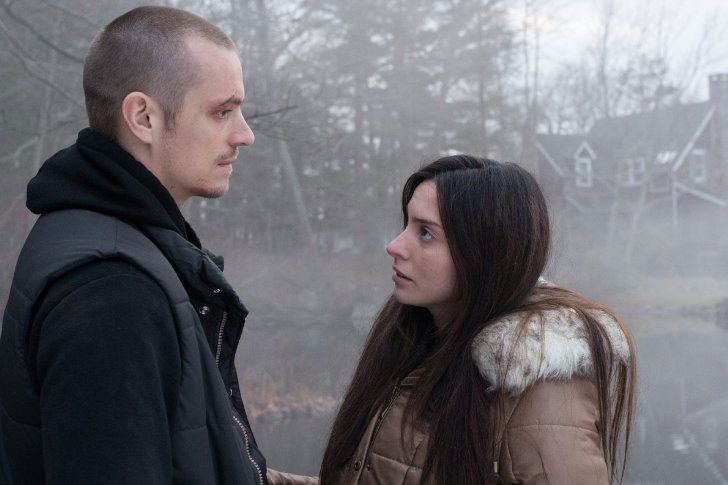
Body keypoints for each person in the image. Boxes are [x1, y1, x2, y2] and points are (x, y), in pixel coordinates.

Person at [0, 6, 267, 484]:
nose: (244, 135)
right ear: (144, 117)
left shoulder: (101, 236)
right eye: (221, 112)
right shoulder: (113, 292)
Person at [318, 155, 636, 484]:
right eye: (406, 225)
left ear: (484, 252)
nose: (395, 246)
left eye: (425, 233)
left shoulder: (538, 390)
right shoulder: (417, 339)